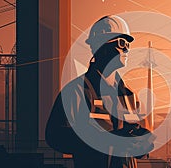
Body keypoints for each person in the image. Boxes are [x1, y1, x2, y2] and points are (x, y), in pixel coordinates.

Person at [45, 15, 154, 168]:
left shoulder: (129, 96)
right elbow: (55, 136)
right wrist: (104, 140)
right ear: (101, 46)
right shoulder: (76, 92)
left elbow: (140, 139)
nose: (127, 49)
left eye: (128, 44)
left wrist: (140, 143)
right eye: (121, 42)